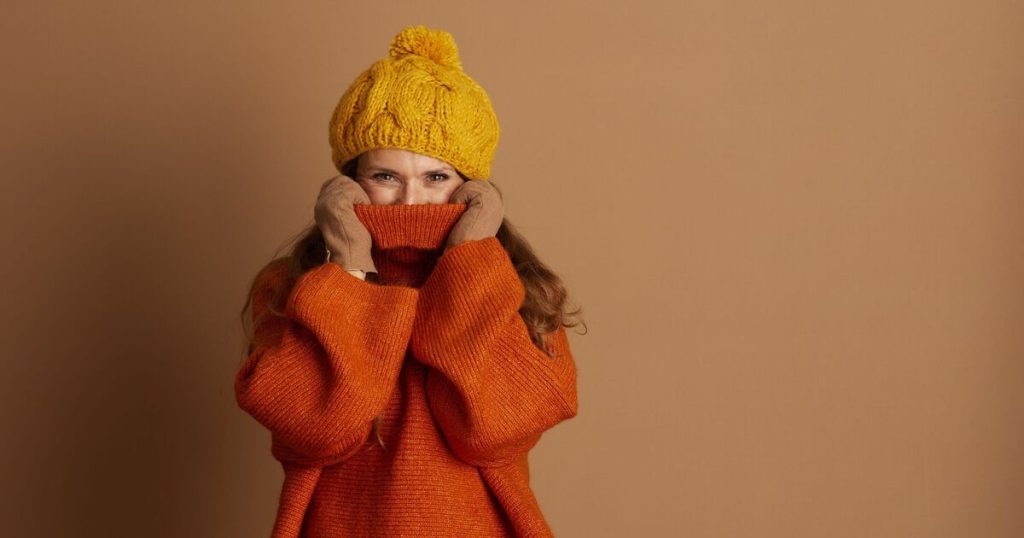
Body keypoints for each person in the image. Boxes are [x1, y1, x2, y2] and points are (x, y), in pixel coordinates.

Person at [235, 24, 585, 537]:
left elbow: (488, 434)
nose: (410, 201)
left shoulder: (520, 288)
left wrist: (469, 258)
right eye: (385, 177)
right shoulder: (293, 285)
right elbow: (317, 431)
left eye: (436, 177)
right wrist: (348, 265)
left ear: (472, 188)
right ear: (349, 185)